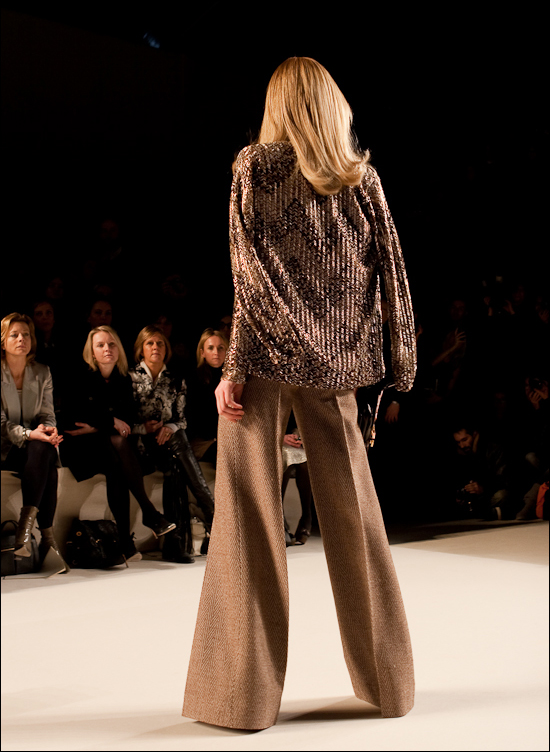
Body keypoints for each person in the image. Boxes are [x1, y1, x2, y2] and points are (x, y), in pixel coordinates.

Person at [183, 57, 416, 731]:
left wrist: (233, 366)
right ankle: (390, 687)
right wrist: (393, 360)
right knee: (358, 520)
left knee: (247, 525)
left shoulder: (255, 167)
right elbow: (391, 270)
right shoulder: (359, 175)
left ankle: (242, 699)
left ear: (278, 104)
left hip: (262, 360)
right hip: (337, 364)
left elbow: (248, 277)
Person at [60, 325, 176, 562]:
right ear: (92, 352)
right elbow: (72, 417)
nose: (107, 349)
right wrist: (109, 421)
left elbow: (129, 419)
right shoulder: (79, 375)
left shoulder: (122, 379)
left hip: (108, 447)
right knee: (117, 445)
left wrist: (98, 425)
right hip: (79, 448)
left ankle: (126, 541)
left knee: (116, 461)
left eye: (111, 344)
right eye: (100, 345)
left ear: (119, 349)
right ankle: (147, 515)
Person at [129, 325, 215, 563]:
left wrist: (170, 427)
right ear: (141, 349)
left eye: (160, 343)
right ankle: (210, 513)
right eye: (150, 343)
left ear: (166, 349)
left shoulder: (176, 379)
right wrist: (144, 428)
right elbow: (124, 420)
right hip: (138, 446)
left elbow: (182, 420)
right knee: (177, 457)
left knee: (175, 464)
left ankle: (175, 544)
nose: (155, 347)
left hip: (167, 444)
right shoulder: (130, 377)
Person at [1, 313, 68, 569]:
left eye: (26, 335)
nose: (22, 339)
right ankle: (47, 540)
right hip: (5, 447)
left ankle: (25, 531)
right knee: (47, 460)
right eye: (14, 335)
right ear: (3, 341)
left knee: (44, 449)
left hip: (32, 449)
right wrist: (31, 434)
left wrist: (48, 430)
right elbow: (1, 425)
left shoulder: (42, 372)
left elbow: (47, 414)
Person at [186, 328, 228, 466]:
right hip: (203, 441)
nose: (216, 352)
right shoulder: (194, 379)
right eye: (211, 348)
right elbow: (195, 421)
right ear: (202, 352)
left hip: (227, 438)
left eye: (220, 348)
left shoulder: (232, 380)